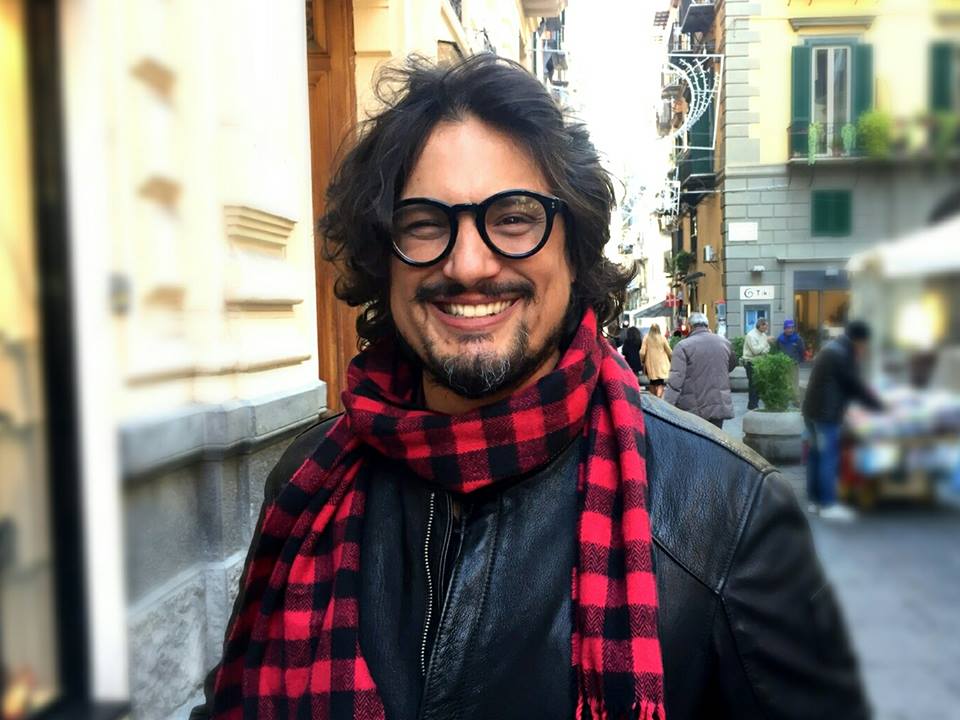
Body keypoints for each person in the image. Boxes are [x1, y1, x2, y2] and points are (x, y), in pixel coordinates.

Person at [194, 56, 868, 720]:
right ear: (385, 258)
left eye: (514, 218)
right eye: (423, 223)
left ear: (574, 252)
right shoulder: (306, 480)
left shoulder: (729, 513)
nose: (468, 265)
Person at [802, 320, 884, 521]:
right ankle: (828, 504)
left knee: (816, 455)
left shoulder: (832, 348)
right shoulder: (843, 354)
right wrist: (879, 406)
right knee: (828, 457)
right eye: (865, 343)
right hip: (825, 415)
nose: (865, 348)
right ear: (860, 340)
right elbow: (853, 385)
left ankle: (814, 501)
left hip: (812, 411)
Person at [663, 313, 738, 429]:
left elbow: (675, 381)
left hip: (693, 408)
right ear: (707, 325)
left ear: (689, 326)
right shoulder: (724, 343)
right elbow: (731, 364)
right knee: (716, 437)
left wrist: (665, 408)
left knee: (695, 439)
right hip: (719, 404)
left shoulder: (682, 346)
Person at [742, 317, 771, 410]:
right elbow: (755, 351)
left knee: (759, 384)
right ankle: (752, 405)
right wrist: (764, 345)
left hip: (760, 362)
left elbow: (768, 348)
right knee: (753, 384)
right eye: (766, 326)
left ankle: (755, 403)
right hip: (751, 362)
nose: (767, 328)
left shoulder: (763, 335)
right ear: (760, 325)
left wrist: (763, 349)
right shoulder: (751, 335)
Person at [640, 323, 672, 398]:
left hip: (651, 365)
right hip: (662, 364)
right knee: (660, 382)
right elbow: (669, 351)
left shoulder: (646, 338)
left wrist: (643, 360)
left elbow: (642, 352)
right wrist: (671, 359)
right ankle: (659, 397)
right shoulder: (662, 338)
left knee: (652, 382)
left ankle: (653, 398)